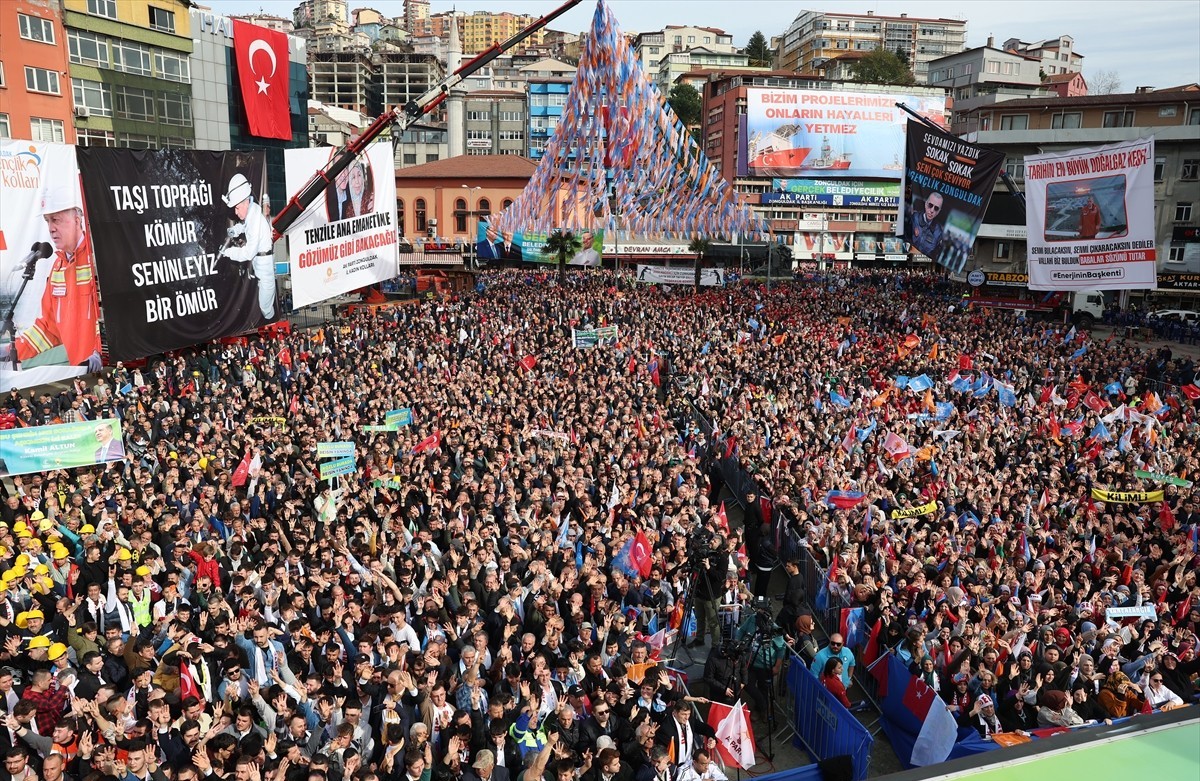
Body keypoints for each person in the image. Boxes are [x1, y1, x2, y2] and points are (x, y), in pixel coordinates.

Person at [1, 183, 102, 373]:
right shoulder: (57, 267)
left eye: (56, 219)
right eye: (47, 221)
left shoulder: (98, 257)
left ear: (77, 219)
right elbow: (48, 329)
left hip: (105, 369)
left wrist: (103, 352)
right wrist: (11, 351)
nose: (51, 228)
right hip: (79, 372)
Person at [219, 173, 276, 321]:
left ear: (245, 202)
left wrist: (228, 252)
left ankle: (269, 317)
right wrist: (236, 230)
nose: (236, 212)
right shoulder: (253, 210)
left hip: (264, 266)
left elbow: (248, 253)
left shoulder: (254, 219)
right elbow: (245, 226)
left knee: (266, 309)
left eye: (237, 208)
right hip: (261, 262)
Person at [909, 191, 944, 256]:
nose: (932, 210)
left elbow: (935, 255)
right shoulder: (913, 218)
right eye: (930, 205)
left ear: (938, 212)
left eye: (936, 208)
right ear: (925, 204)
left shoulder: (938, 233)